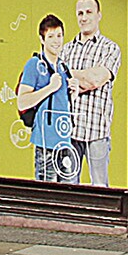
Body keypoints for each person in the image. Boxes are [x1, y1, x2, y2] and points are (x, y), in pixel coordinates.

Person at [61, 0, 122, 187]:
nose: (84, 17)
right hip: (69, 132)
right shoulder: (66, 50)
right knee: (68, 186)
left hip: (97, 130)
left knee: (100, 187)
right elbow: (60, 81)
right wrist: (83, 76)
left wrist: (70, 74)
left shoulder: (110, 48)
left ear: (99, 15)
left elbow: (95, 80)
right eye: (80, 13)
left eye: (89, 12)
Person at [16, 13, 76, 183]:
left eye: (59, 35)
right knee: (47, 192)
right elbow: (22, 101)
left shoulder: (64, 67)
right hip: (45, 142)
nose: (56, 41)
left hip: (65, 141)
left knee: (68, 191)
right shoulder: (34, 65)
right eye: (51, 36)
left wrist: (74, 92)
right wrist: (50, 88)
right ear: (42, 40)